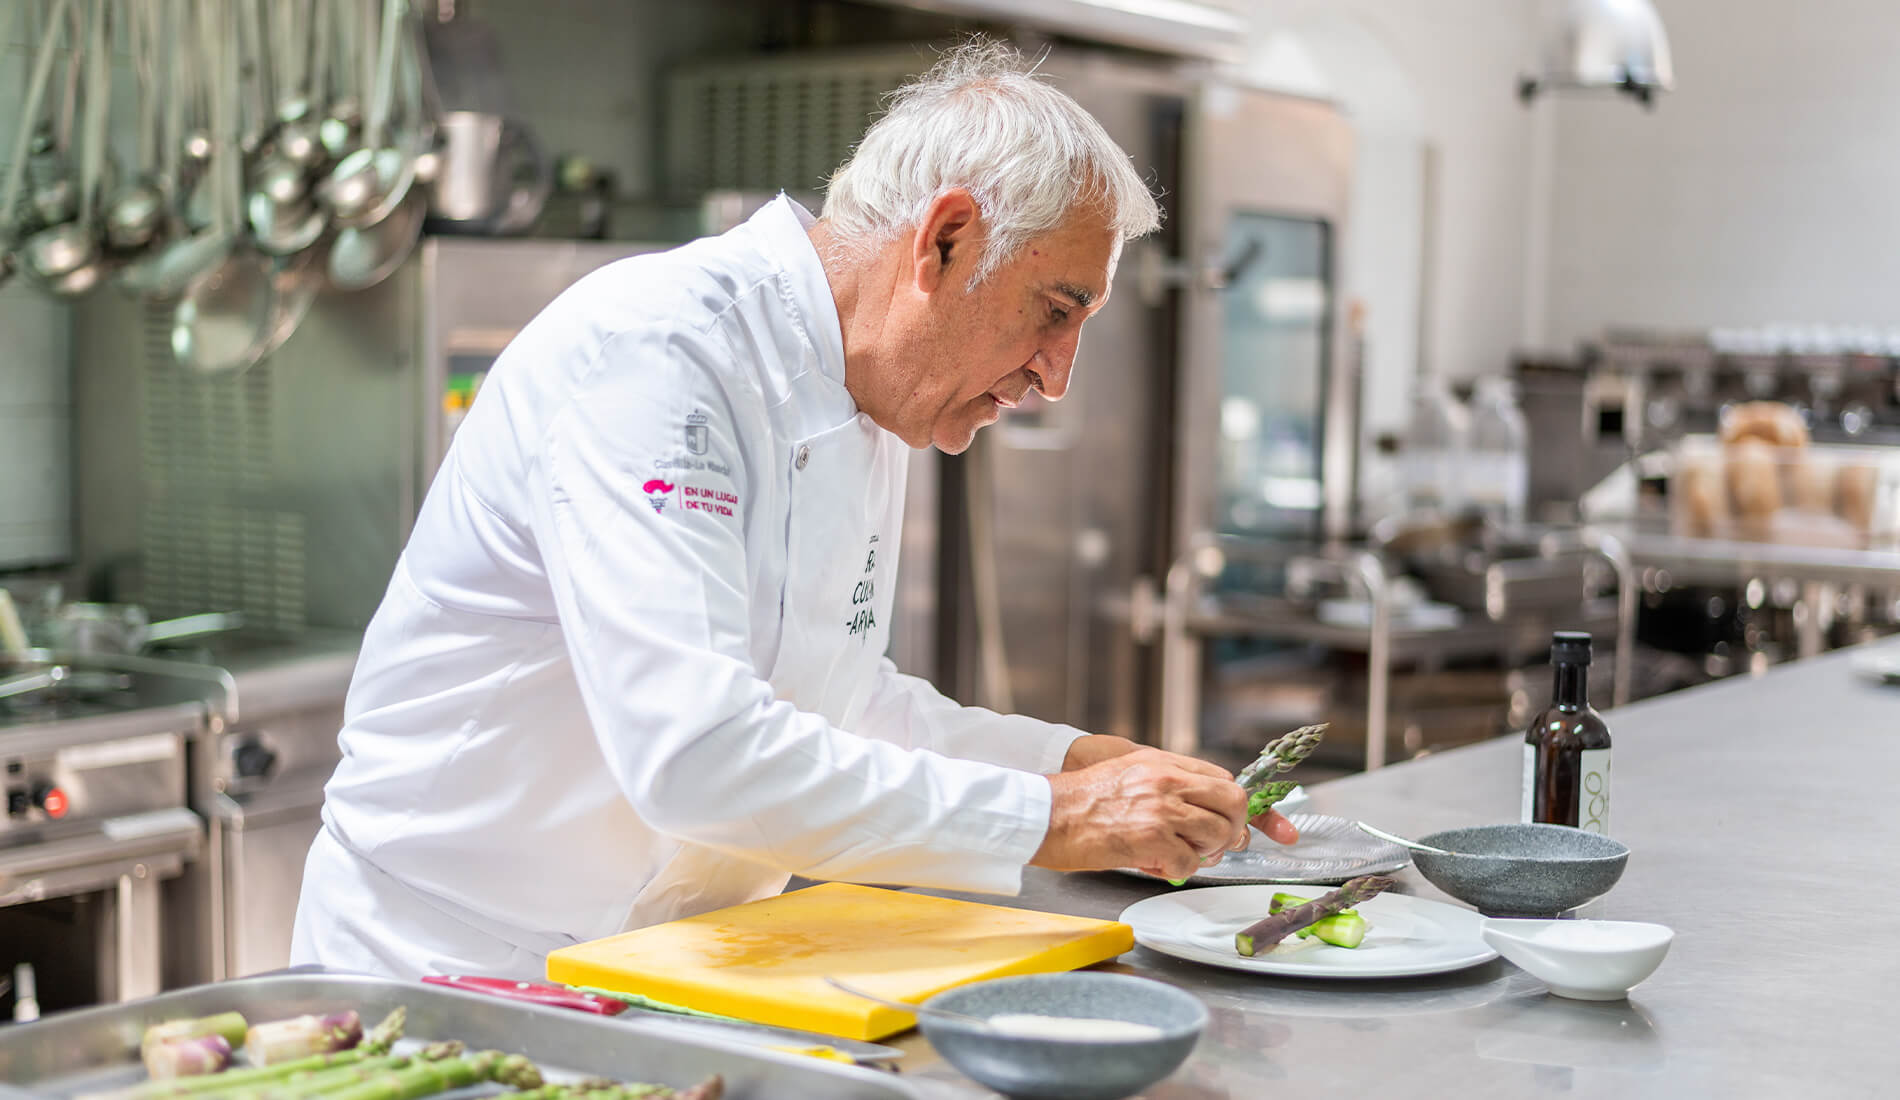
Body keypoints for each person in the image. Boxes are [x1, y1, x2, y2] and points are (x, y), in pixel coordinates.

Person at [290, 40, 1298, 980]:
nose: (1057, 375)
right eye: (1056, 309)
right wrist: (1051, 814)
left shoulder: (861, 394)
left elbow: (835, 700)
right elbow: (696, 753)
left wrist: (1070, 760)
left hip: (671, 963)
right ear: (944, 240)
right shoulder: (657, 359)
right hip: (448, 961)